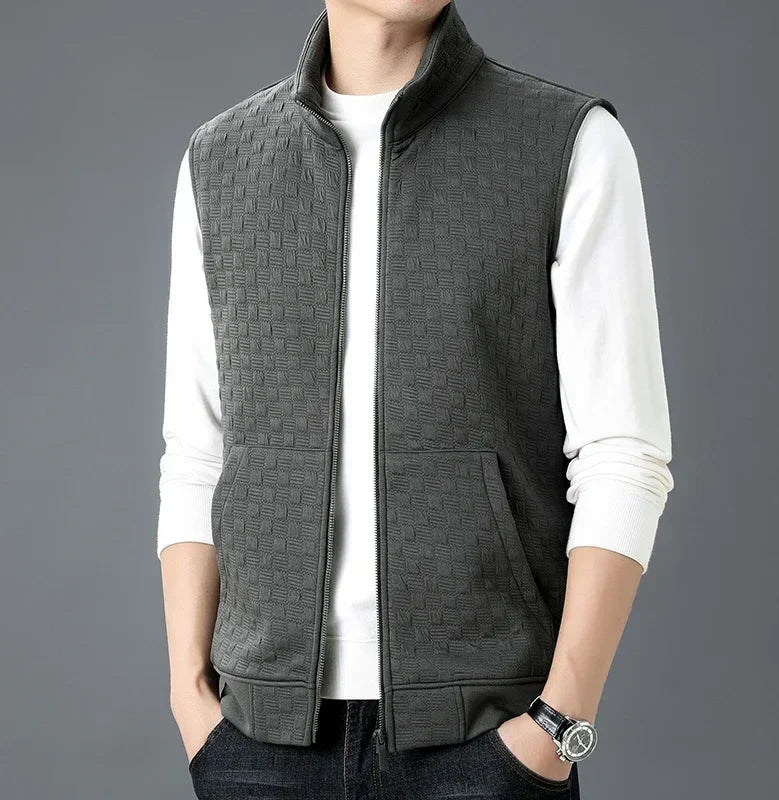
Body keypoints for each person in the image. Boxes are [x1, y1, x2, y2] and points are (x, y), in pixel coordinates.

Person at [156, 1, 674, 797]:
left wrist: (559, 721)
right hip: (257, 742)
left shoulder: (566, 142)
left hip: (487, 738)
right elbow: (199, 452)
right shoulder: (222, 160)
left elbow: (623, 454)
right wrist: (191, 699)